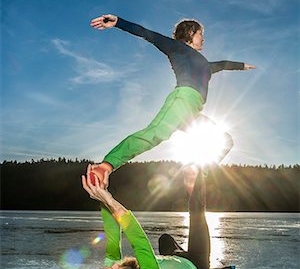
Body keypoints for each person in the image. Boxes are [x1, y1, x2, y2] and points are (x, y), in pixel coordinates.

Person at [89, 14, 256, 187]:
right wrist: (119, 22)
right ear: (191, 33)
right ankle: (105, 167)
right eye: (200, 34)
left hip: (193, 111)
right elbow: (148, 34)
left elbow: (222, 64)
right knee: (155, 133)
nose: (203, 39)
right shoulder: (177, 48)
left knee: (225, 140)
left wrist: (242, 65)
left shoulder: (205, 64)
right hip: (182, 100)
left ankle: (198, 171)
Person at [82, 164, 235, 269]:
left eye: (109, 268)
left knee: (165, 238)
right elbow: (139, 242)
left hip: (173, 258)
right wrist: (110, 200)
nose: (115, 265)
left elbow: (112, 239)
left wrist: (103, 196)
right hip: (196, 266)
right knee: (196, 209)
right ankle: (203, 168)